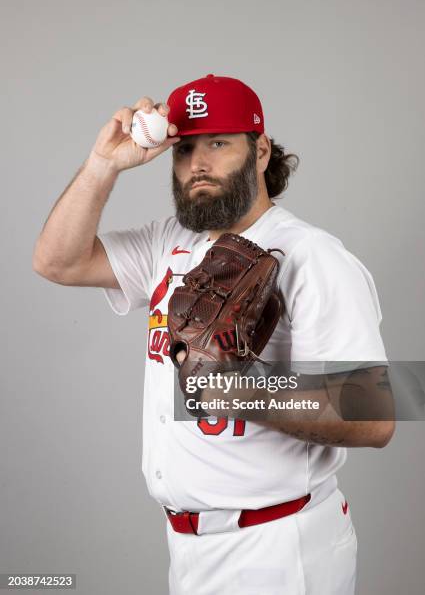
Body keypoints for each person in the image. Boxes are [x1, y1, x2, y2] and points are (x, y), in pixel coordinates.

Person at [33, 73, 394, 594]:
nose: (198, 164)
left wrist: (235, 385)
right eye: (186, 149)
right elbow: (57, 261)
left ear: (261, 151)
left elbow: (376, 416)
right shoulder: (168, 241)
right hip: (187, 548)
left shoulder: (313, 255)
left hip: (278, 547)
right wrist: (103, 164)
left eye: (220, 143)